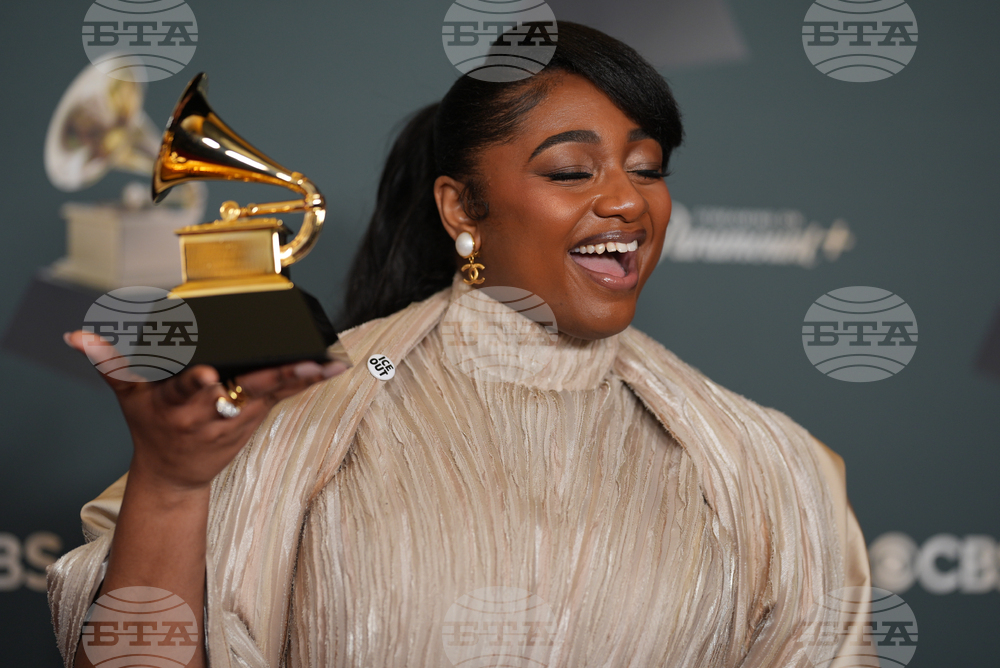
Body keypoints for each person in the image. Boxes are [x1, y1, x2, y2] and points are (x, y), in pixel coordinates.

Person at [49, 22, 871, 668]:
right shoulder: (295, 411)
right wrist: (171, 486)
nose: (627, 201)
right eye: (571, 172)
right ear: (460, 209)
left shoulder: (769, 462)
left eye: (648, 168)